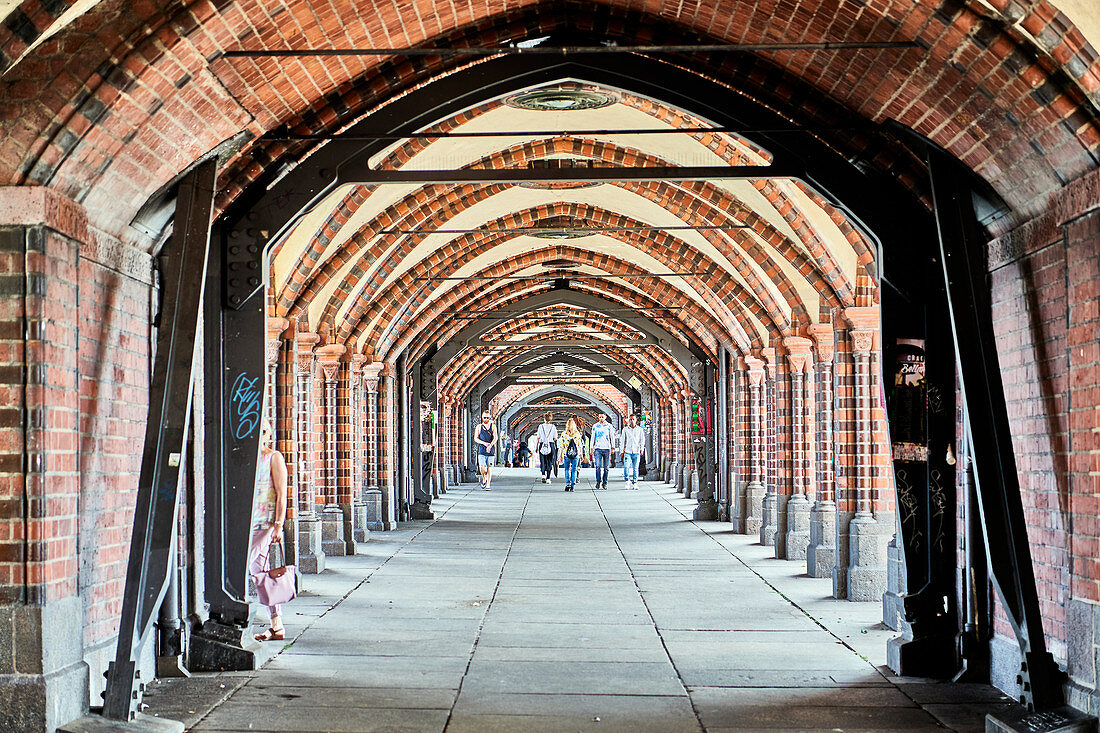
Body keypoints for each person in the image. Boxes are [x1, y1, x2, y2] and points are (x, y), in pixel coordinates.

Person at [250, 420, 289, 641]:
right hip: (246, 524)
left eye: (262, 431)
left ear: (267, 434)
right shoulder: (246, 458)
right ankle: (276, 625)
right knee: (260, 574)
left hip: (264, 525)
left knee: (246, 566)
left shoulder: (273, 457)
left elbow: (282, 493)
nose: (259, 434)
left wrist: (278, 524)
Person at [589, 413, 616, 490]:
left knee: (606, 467)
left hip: (607, 448)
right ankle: (598, 481)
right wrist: (591, 448)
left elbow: (612, 437)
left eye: (602, 417)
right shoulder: (595, 426)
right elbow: (593, 437)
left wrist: (613, 447)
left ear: (605, 417)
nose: (601, 418)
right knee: (597, 466)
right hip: (597, 448)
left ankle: (605, 482)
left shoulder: (609, 426)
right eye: (600, 417)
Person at [619, 413, 645, 490]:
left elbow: (642, 440)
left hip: (636, 451)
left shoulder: (640, 429)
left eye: (633, 419)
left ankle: (635, 483)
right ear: (629, 420)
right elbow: (622, 440)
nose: (632, 421)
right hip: (628, 451)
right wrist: (621, 451)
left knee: (635, 468)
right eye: (630, 419)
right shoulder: (625, 430)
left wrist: (641, 449)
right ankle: (627, 481)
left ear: (636, 420)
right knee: (626, 467)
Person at [474, 410, 497, 490]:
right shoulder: (479, 427)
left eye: (487, 418)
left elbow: (495, 437)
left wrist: (490, 445)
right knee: (482, 467)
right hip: (482, 449)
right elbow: (476, 438)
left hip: (490, 450)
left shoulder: (493, 426)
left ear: (489, 417)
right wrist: (484, 443)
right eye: (484, 417)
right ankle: (484, 477)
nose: (486, 419)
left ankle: (488, 484)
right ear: (482, 417)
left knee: (489, 467)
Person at [559, 418, 582, 492]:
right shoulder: (577, 434)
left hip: (566, 454)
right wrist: (581, 454)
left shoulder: (564, 434)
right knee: (574, 470)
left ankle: (568, 484)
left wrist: (560, 455)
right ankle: (573, 486)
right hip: (576, 454)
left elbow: (562, 446)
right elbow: (580, 445)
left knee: (566, 469)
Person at [536, 412, 558, 484]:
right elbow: (555, 438)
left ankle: (543, 475)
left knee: (542, 460)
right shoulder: (553, 427)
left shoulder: (540, 426)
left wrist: (537, 447)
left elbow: (538, 438)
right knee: (549, 461)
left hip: (542, 444)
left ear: (544, 419)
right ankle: (548, 478)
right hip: (550, 445)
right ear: (550, 419)